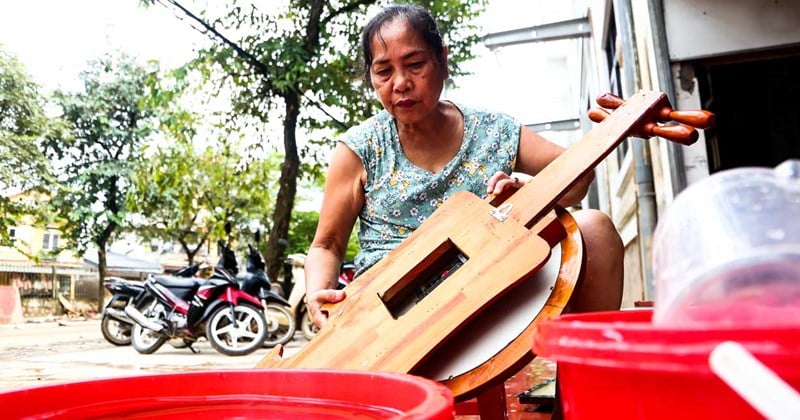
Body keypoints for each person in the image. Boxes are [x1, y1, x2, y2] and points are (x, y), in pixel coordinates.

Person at [305, 4, 623, 330]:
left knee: (594, 228)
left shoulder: (494, 131)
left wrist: (531, 193)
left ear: (442, 60)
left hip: (487, 288)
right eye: (383, 71)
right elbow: (327, 245)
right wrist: (318, 293)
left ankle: (584, 373)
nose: (400, 83)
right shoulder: (360, 148)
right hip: (393, 312)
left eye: (415, 65)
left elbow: (579, 180)